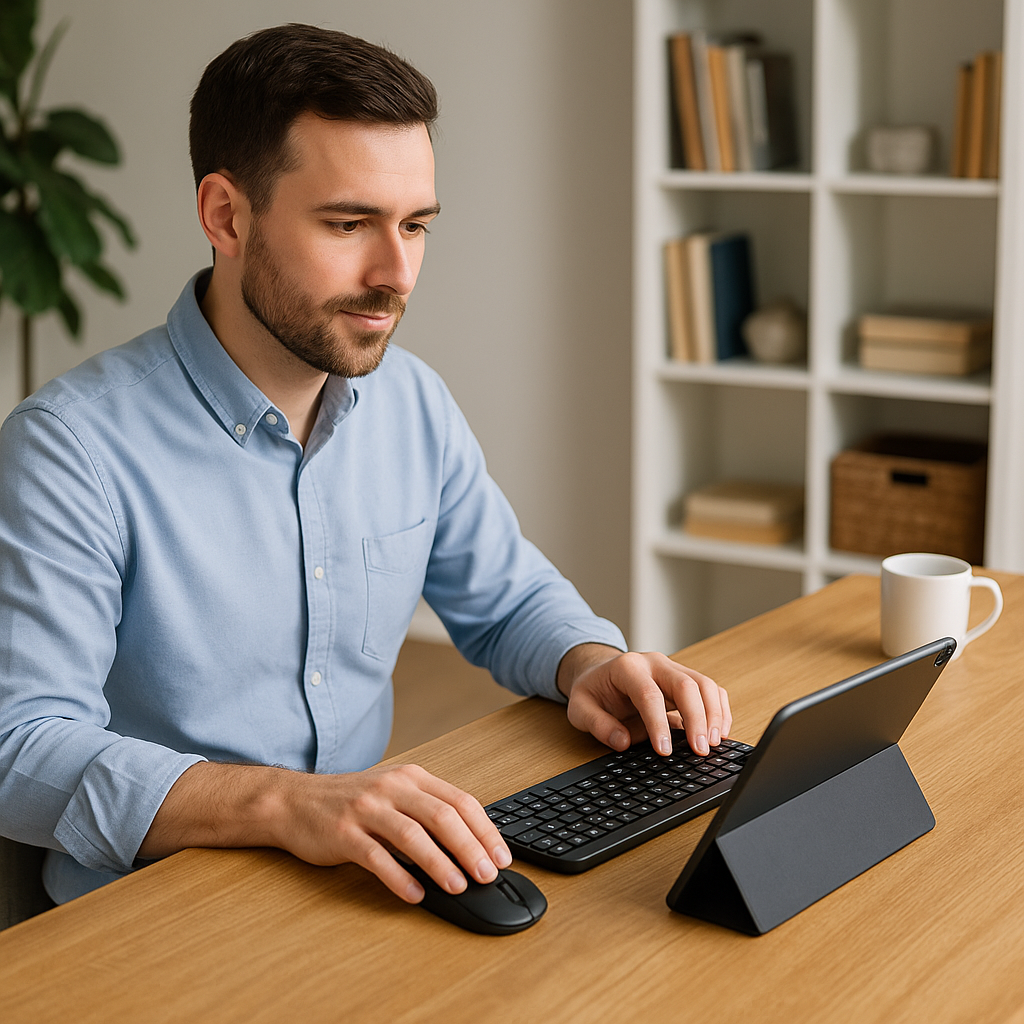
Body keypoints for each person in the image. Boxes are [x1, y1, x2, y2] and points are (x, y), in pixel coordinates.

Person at [0, 24, 730, 908]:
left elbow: (505, 599)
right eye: (349, 224)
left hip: (359, 879)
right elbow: (21, 745)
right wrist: (285, 804)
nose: (397, 274)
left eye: (415, 225)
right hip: (153, 909)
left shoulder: (411, 401)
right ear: (226, 216)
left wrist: (587, 660)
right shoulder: (69, 448)